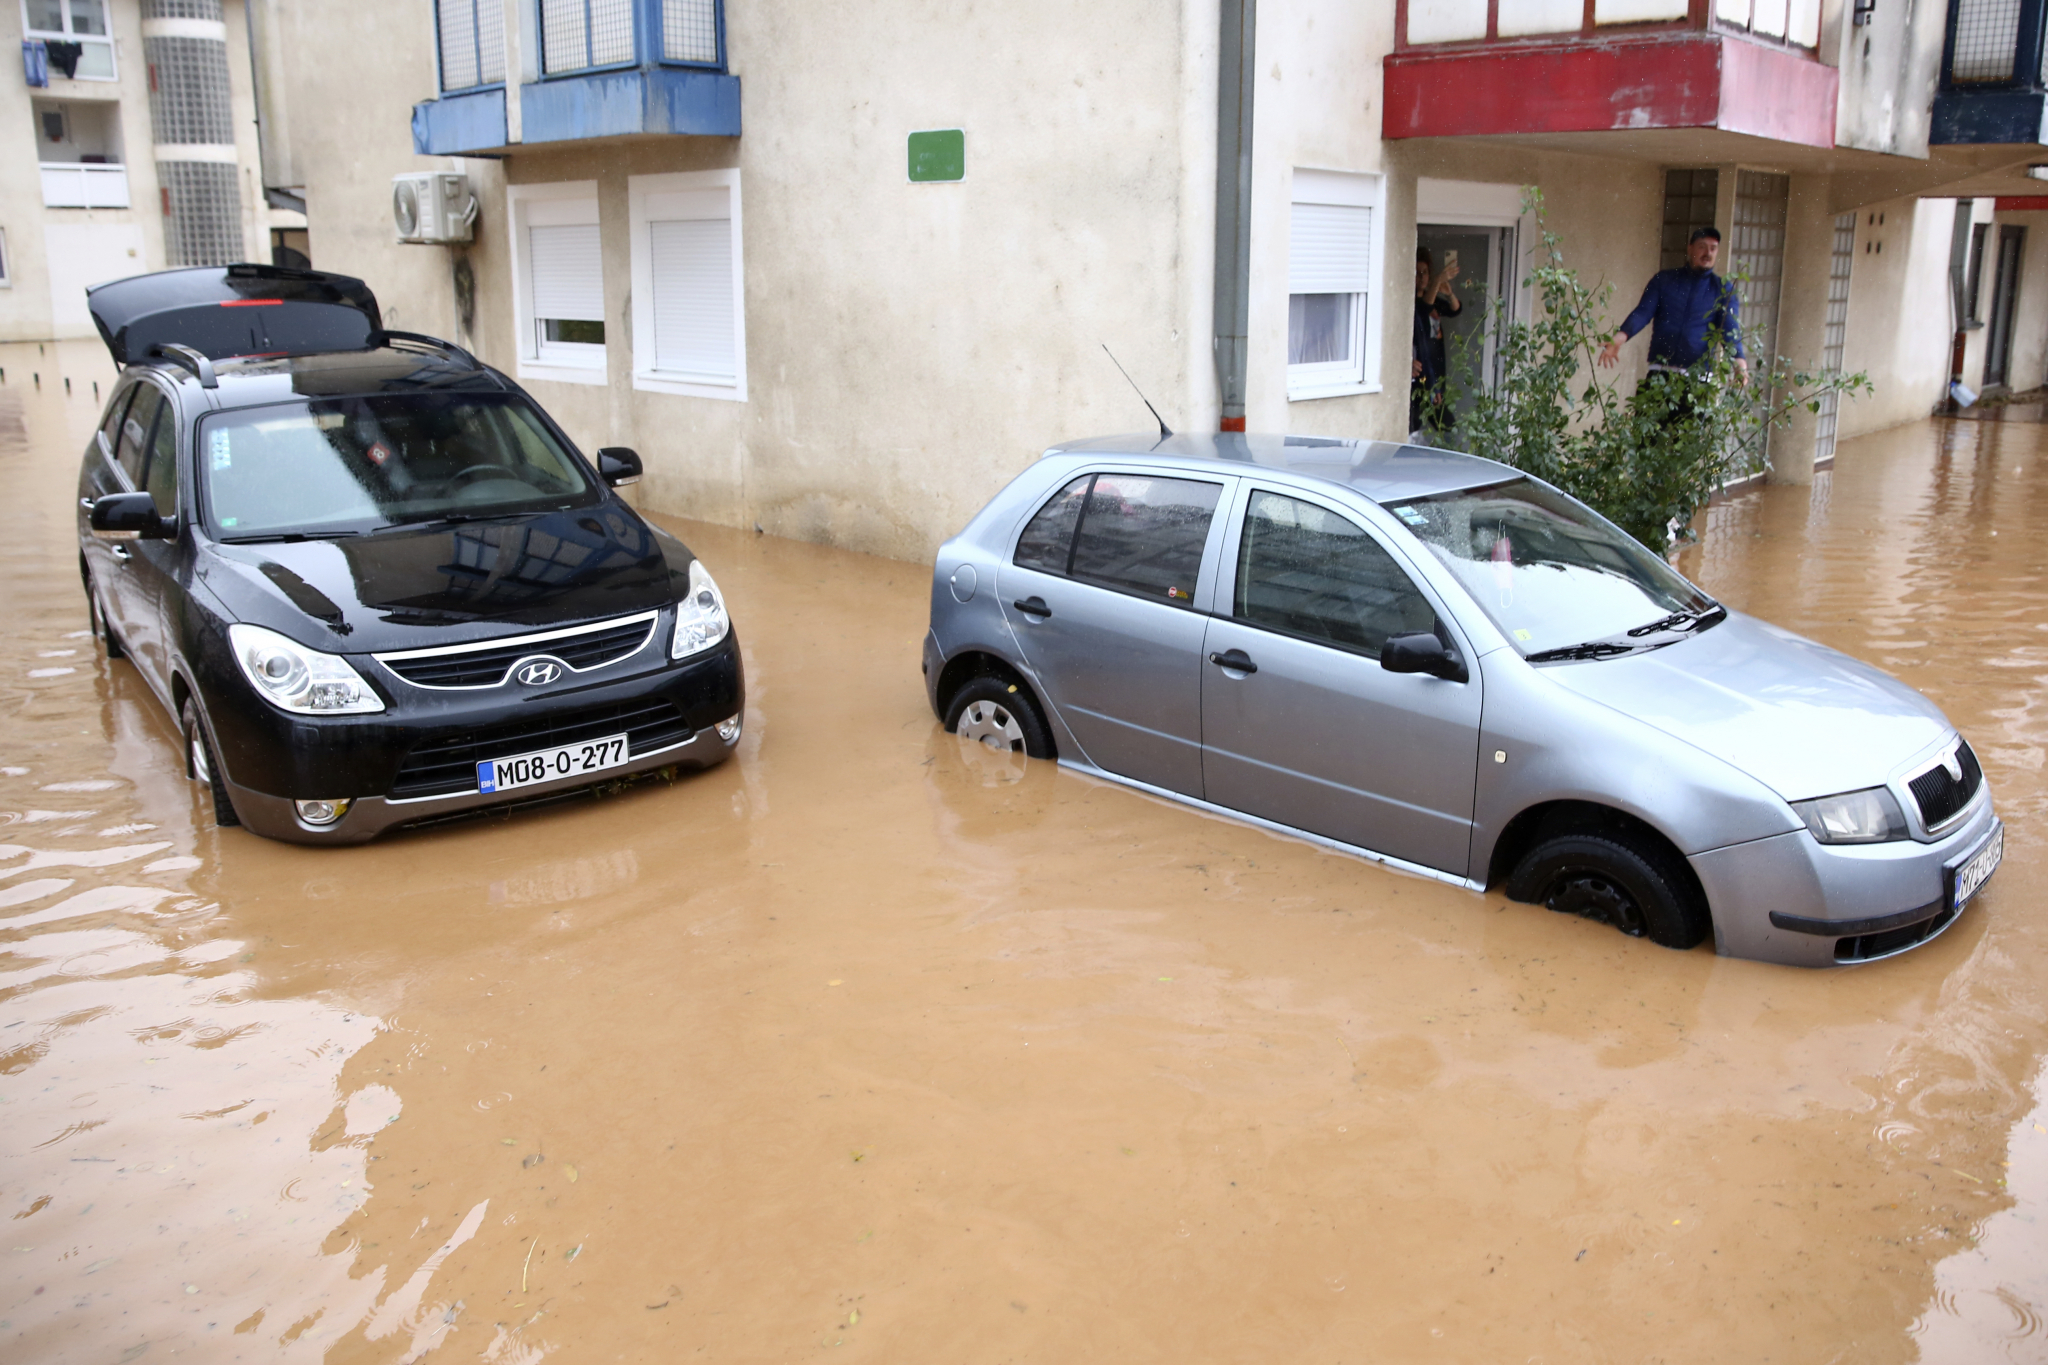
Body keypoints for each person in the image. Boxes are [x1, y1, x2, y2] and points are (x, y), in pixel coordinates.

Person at [1597, 227, 1749, 389]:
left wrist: (1740, 367)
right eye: (1702, 247)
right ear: (1690, 248)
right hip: (1660, 372)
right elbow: (1643, 312)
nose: (1708, 253)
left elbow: (1730, 331)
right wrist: (1619, 338)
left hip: (1698, 378)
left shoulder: (1723, 289)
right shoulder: (1664, 280)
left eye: (1713, 248)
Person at [1411, 247, 1462, 439]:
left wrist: (1449, 293)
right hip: (1420, 379)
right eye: (1417, 272)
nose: (1421, 277)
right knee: (1413, 429)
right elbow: (1423, 307)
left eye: (1425, 272)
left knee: (1449, 430)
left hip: (1436, 378)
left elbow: (1455, 309)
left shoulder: (1433, 300)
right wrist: (1438, 280)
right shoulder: (1411, 303)